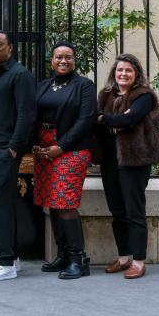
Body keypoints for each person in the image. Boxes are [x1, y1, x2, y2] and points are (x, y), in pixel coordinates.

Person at [31, 41, 96, 280]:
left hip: (72, 150)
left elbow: (86, 120)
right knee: (52, 202)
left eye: (68, 57)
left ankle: (79, 259)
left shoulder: (84, 86)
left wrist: (61, 147)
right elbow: (31, 115)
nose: (63, 61)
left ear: (74, 61)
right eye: (59, 57)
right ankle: (63, 254)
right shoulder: (43, 86)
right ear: (52, 61)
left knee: (65, 202)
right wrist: (34, 144)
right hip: (44, 150)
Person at [95, 53, 159, 279]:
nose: (123, 74)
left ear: (136, 74)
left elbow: (127, 120)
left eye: (128, 70)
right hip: (109, 159)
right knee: (117, 211)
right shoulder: (106, 95)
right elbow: (96, 118)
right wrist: (108, 119)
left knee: (134, 211)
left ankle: (139, 261)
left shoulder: (143, 96)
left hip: (135, 160)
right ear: (114, 72)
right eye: (120, 70)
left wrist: (104, 119)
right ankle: (123, 258)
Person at [0, 30, 36, 282]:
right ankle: (11, 257)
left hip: (6, 148)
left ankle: (5, 264)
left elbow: (27, 114)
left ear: (10, 48)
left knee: (1, 203)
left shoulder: (20, 74)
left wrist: (14, 147)